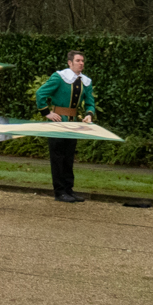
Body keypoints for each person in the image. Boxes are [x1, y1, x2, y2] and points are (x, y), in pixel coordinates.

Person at [35, 50, 95, 203]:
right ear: (70, 63)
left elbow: (90, 102)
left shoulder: (85, 81)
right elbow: (40, 93)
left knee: (68, 158)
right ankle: (60, 192)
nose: (81, 63)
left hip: (73, 124)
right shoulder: (59, 77)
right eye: (78, 60)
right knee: (57, 158)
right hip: (57, 123)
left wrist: (89, 114)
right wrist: (47, 113)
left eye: (82, 61)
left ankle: (69, 190)